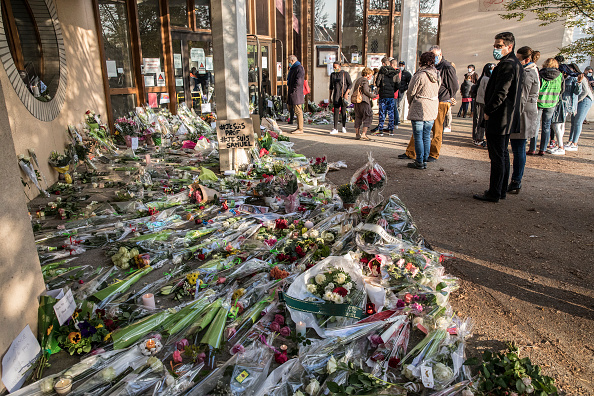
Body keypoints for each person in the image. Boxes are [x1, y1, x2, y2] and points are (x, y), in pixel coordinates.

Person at [473, 32, 523, 203]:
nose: (495, 49)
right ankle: (500, 190)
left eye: (499, 46)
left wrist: (489, 110)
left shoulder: (509, 65)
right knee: (502, 154)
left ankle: (495, 191)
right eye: (495, 45)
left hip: (500, 118)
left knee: (497, 156)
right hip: (504, 117)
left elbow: (501, 92)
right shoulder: (512, 64)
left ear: (509, 46)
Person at [399, 45, 459, 162]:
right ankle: (411, 152)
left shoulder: (446, 67)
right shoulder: (430, 69)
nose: (433, 57)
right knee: (419, 130)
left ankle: (433, 154)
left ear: (440, 55)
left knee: (436, 130)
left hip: (440, 101)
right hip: (428, 102)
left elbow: (454, 86)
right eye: (431, 55)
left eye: (435, 55)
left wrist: (448, 98)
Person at [507, 46, 540, 194]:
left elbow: (521, 97)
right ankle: (516, 180)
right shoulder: (530, 71)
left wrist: (513, 117)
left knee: (519, 148)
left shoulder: (528, 74)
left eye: (518, 59)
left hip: (523, 114)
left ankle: (516, 181)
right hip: (525, 112)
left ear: (526, 60)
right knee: (518, 148)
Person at [406, 52, 441, 169]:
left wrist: (411, 102)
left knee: (418, 136)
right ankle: (425, 159)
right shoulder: (437, 75)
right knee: (426, 135)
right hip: (432, 107)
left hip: (419, 107)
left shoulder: (419, 75)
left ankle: (419, 160)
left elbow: (411, 91)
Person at [528, 58, 564, 155]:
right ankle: (543, 149)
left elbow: (536, 87)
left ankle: (532, 148)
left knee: (535, 125)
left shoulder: (540, 74)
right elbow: (562, 90)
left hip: (539, 102)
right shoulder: (560, 75)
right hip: (552, 103)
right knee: (546, 126)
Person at [549, 64, 581, 155]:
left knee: (557, 125)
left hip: (566, 104)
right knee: (559, 126)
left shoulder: (572, 79)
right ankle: (559, 145)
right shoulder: (562, 78)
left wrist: (579, 82)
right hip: (559, 103)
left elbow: (577, 92)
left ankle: (561, 146)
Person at [370, 57, 400, 136]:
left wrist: (381, 87)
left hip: (383, 94)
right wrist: (393, 90)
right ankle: (391, 130)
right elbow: (398, 84)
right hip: (391, 95)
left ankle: (381, 130)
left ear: (383, 63)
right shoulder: (394, 72)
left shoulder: (381, 71)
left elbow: (378, 82)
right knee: (391, 113)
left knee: (382, 112)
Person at [566, 66, 594, 150]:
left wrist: (576, 101)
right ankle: (570, 141)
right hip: (579, 100)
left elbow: (585, 91)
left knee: (578, 121)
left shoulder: (581, 77)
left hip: (585, 100)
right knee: (573, 121)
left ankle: (575, 143)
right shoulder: (572, 77)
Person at [351, 67, 376, 141]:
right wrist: (372, 95)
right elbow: (365, 91)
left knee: (358, 117)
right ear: (367, 74)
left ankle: (357, 134)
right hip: (364, 101)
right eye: (371, 75)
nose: (371, 77)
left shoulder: (358, 80)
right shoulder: (365, 80)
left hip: (357, 101)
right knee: (368, 116)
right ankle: (364, 134)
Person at [472, 63, 493, 146]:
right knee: (482, 120)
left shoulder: (482, 78)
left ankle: (477, 137)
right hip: (484, 102)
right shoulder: (486, 79)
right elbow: (485, 92)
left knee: (479, 120)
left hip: (481, 101)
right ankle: (479, 138)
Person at [328, 62, 352, 135]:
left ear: (339, 67)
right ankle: (335, 128)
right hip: (336, 95)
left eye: (335, 67)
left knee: (343, 111)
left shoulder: (345, 74)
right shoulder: (332, 75)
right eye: (333, 67)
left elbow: (350, 84)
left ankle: (344, 126)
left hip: (343, 95)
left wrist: (347, 93)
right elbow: (331, 86)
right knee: (336, 111)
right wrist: (330, 96)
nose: (334, 69)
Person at [287, 54, 305, 134]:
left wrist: (294, 89)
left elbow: (299, 81)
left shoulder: (299, 68)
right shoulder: (294, 68)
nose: (289, 63)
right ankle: (298, 127)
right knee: (295, 109)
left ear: (293, 61)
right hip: (294, 92)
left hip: (296, 92)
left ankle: (300, 129)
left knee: (298, 110)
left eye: (289, 62)